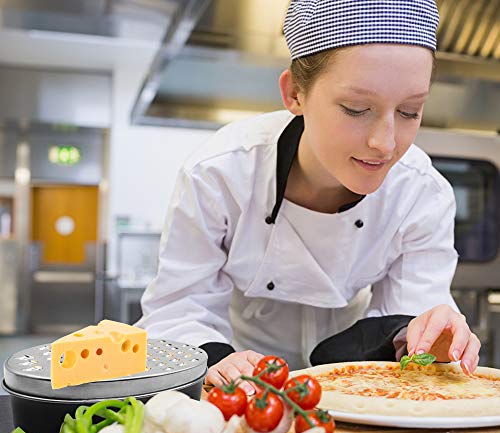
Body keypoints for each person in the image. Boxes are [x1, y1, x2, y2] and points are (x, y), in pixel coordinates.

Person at [136, 0, 481, 394]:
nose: (384, 143)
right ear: (295, 93)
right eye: (356, 109)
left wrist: (430, 335)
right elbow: (179, 306)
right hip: (239, 376)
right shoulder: (220, 174)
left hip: (355, 372)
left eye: (410, 111)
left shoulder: (421, 193)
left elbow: (410, 314)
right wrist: (218, 360)